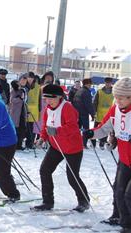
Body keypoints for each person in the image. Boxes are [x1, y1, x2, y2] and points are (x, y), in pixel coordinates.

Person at [83, 77, 131, 232]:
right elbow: (103, 128)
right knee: (118, 190)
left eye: (121, 98)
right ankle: (120, 218)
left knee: (129, 196)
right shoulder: (115, 109)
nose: (117, 100)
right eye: (116, 97)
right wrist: (91, 133)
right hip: (124, 159)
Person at [33, 84, 90, 212]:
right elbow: (46, 127)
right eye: (46, 99)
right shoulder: (48, 109)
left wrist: (57, 131)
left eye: (51, 98)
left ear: (59, 97)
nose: (48, 101)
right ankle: (47, 202)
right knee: (45, 170)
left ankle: (83, 201)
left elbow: (73, 127)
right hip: (56, 146)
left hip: (72, 148)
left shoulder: (67, 107)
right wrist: (42, 138)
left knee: (72, 177)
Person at [91, 77, 114, 149]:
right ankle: (93, 143)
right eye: (107, 83)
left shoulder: (114, 92)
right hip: (99, 114)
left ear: (111, 83)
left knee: (106, 129)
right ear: (105, 83)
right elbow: (94, 102)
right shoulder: (99, 91)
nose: (108, 84)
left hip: (108, 115)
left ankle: (102, 143)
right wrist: (94, 112)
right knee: (96, 128)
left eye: (109, 83)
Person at [72, 78, 95, 149]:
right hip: (84, 114)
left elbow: (74, 101)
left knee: (76, 128)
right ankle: (83, 143)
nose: (90, 86)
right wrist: (92, 114)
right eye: (90, 84)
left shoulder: (79, 91)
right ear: (87, 84)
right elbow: (88, 104)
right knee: (86, 129)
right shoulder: (86, 92)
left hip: (76, 113)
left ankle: (74, 142)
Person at [9, 80, 26, 151]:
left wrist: (22, 95)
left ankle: (19, 144)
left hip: (21, 111)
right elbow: (12, 100)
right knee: (15, 129)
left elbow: (24, 99)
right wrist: (20, 98)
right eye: (17, 83)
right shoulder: (13, 91)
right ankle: (14, 145)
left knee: (21, 129)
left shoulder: (22, 90)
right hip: (15, 112)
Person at [26, 72, 41, 149]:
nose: (30, 79)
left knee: (31, 128)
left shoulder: (38, 87)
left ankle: (30, 143)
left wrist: (40, 109)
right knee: (24, 127)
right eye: (29, 77)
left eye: (31, 78)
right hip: (25, 109)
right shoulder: (24, 85)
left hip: (34, 110)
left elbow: (39, 99)